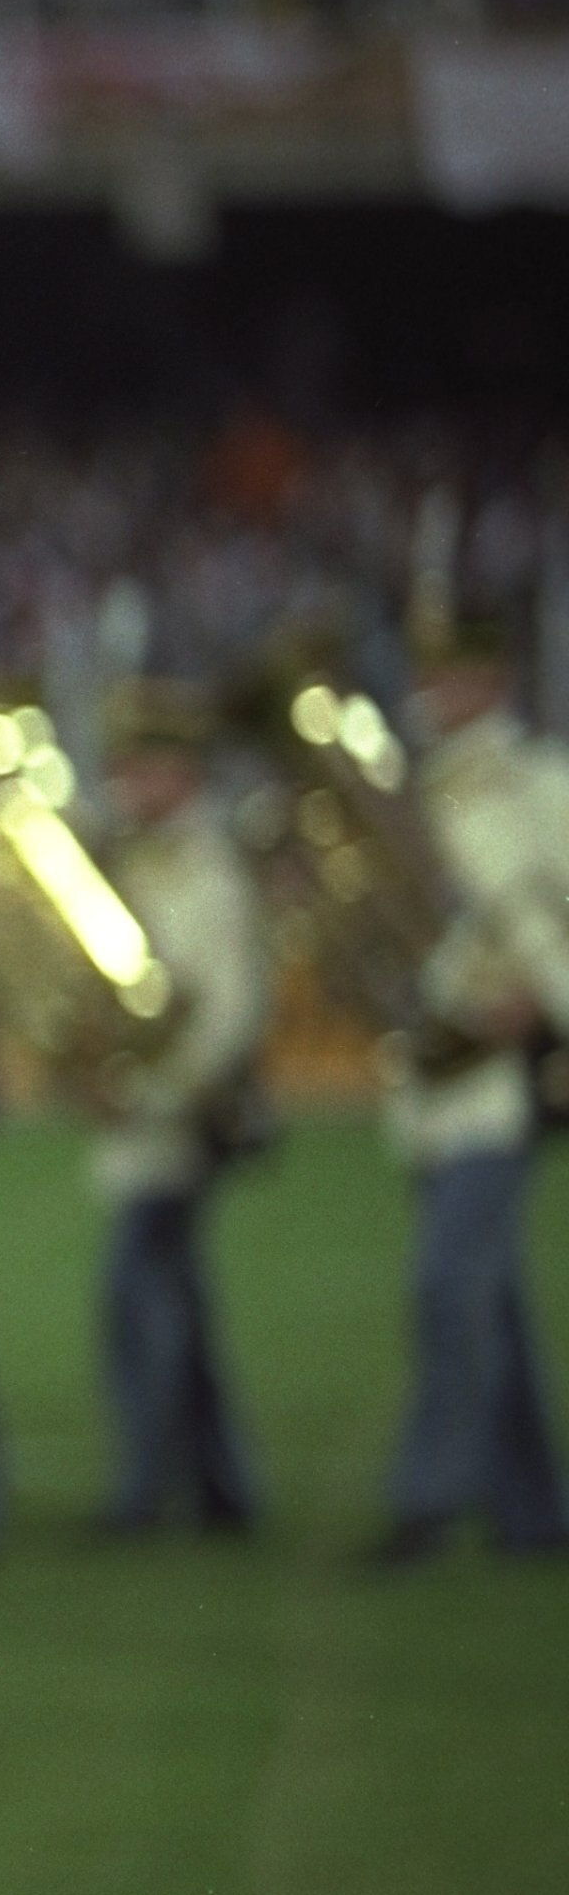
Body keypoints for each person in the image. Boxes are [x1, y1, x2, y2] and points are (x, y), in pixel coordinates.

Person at [374, 614, 569, 1563]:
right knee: (490, 1299)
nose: (429, 692)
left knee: (450, 1285)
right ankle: (536, 1513)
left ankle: (428, 1501)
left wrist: (543, 997)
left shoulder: (539, 787)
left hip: (504, 1079)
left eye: (449, 675)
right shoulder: (421, 795)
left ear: (492, 679)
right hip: (439, 1076)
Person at [86, 681, 271, 1536]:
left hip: (183, 1119)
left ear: (183, 772)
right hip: (149, 1110)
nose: (128, 782)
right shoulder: (130, 857)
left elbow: (229, 1010)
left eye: (146, 766)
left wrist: (151, 1090)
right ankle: (222, 1487)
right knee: (177, 1306)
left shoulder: (207, 868)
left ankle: (144, 1490)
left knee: (138, 1301)